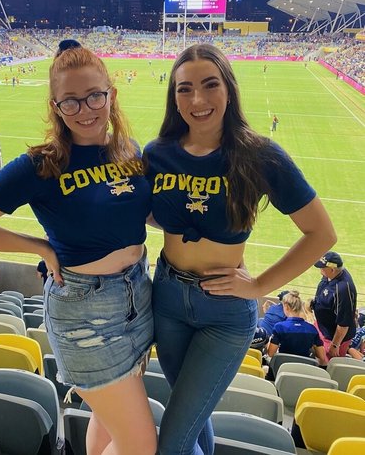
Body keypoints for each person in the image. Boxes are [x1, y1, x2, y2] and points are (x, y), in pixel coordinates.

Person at [0, 41, 156, 455]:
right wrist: (39, 246)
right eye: (71, 101)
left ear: (111, 94)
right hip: (84, 312)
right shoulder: (41, 164)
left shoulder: (129, 150)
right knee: (140, 445)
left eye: (95, 96)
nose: (85, 109)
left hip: (137, 295)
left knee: (108, 423)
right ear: (56, 107)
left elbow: (143, 215)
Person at [143, 44, 336, 455]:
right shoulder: (157, 154)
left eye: (210, 84)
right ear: (174, 97)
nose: (197, 99)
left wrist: (260, 286)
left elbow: (321, 233)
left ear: (229, 90)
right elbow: (148, 212)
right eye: (185, 88)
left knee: (172, 442)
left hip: (225, 312)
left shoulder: (259, 155)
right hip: (168, 299)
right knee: (193, 421)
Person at [312, 251, 357, 359]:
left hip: (332, 337)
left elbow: (343, 323)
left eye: (322, 268)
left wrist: (335, 345)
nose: (320, 271)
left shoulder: (343, 290)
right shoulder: (332, 274)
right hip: (323, 328)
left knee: (329, 363)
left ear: (332, 270)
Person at [267, 291, 327, 365]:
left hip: (283, 367)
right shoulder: (312, 329)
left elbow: (270, 353)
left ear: (286, 307)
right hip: (305, 368)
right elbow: (321, 356)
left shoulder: (279, 327)